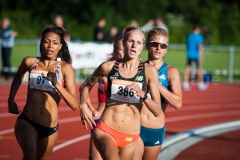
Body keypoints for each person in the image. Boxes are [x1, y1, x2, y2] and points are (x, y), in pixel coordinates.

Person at [79, 26, 163, 160]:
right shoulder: (108, 67)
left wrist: (143, 95)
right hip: (106, 130)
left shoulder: (149, 71)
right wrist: (83, 105)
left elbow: (158, 111)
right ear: (123, 43)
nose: (134, 46)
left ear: (143, 46)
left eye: (139, 43)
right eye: (130, 41)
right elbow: (85, 86)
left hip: (130, 136)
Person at [8, 26, 79, 160]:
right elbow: (18, 76)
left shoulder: (65, 68)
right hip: (28, 121)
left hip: (50, 129)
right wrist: (11, 100)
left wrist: (57, 85)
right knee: (30, 156)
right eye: (47, 41)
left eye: (55, 43)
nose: (50, 46)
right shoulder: (30, 62)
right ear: (41, 43)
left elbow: (74, 104)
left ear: (60, 46)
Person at [132, 28, 182, 160]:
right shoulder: (137, 67)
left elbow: (178, 103)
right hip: (136, 126)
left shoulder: (171, 71)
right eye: (155, 44)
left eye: (163, 45)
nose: (159, 48)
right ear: (147, 45)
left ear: (166, 49)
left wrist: (155, 83)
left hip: (156, 130)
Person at [88, 36, 124, 160]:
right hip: (101, 119)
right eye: (120, 49)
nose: (123, 52)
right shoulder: (105, 68)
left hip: (122, 123)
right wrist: (90, 109)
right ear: (114, 50)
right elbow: (84, 88)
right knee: (95, 158)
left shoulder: (134, 71)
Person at [183, 25, 208, 91]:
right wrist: (202, 56)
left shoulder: (189, 36)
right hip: (196, 55)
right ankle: (201, 84)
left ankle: (185, 83)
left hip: (189, 54)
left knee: (188, 68)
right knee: (199, 69)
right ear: (197, 29)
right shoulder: (199, 37)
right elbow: (200, 47)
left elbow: (187, 45)